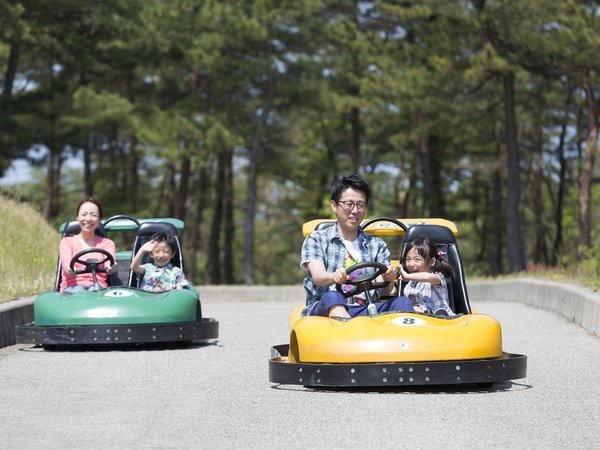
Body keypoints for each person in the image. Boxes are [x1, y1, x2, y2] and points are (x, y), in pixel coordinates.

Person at [301, 173, 414, 318]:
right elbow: (318, 276)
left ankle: (407, 339)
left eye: (360, 205)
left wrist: (388, 278)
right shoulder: (317, 239)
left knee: (402, 302)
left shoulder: (377, 244)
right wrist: (334, 276)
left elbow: (386, 291)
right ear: (334, 206)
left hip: (367, 309)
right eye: (349, 204)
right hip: (327, 309)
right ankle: (348, 332)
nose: (355, 210)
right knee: (332, 296)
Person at [59, 198, 117, 293]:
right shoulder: (67, 242)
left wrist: (111, 266)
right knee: (80, 291)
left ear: (99, 220)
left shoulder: (108, 243)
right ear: (77, 218)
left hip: (98, 287)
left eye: (93, 215)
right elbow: (67, 265)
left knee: (95, 290)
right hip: (72, 287)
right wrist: (70, 269)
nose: (88, 219)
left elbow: (110, 262)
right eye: (84, 214)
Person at [397, 236, 455, 316]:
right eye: (408, 259)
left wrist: (407, 276)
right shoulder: (409, 286)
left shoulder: (437, 277)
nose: (411, 264)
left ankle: (435, 314)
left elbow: (427, 277)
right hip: (418, 320)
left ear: (432, 262)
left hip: (442, 320)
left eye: (417, 260)